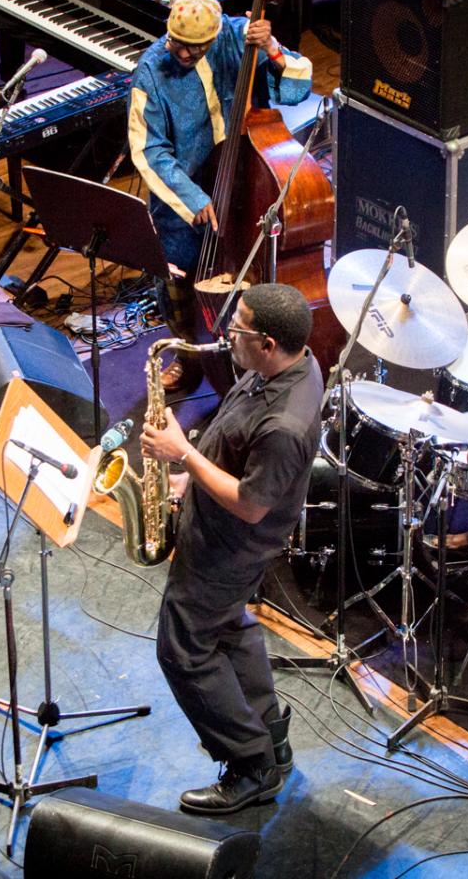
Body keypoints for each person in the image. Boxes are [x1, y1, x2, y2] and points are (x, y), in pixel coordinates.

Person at [139, 283, 323, 814]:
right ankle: (271, 735)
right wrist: (187, 483)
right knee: (230, 630)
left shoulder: (285, 424)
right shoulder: (287, 365)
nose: (225, 335)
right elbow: (238, 449)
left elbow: (250, 504)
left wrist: (183, 457)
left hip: (230, 544)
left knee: (184, 649)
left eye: (237, 328)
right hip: (219, 527)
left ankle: (250, 766)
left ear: (267, 343)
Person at [128, 0, 314, 394]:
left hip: (247, 184)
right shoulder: (151, 71)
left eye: (196, 47)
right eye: (177, 43)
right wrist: (193, 199)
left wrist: (272, 47)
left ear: (214, 35)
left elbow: (297, 88)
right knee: (177, 275)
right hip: (186, 191)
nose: (183, 54)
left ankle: (266, 359)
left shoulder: (238, 37)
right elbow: (148, 149)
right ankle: (189, 355)